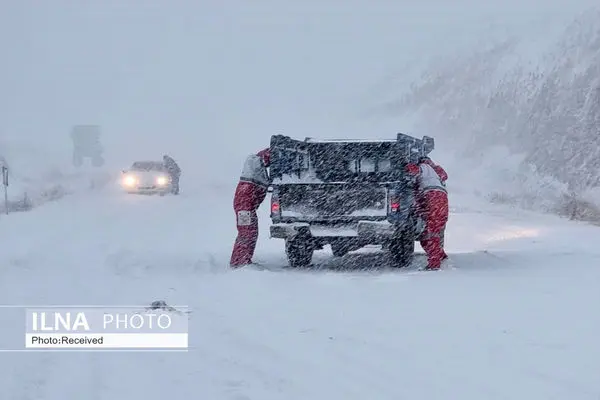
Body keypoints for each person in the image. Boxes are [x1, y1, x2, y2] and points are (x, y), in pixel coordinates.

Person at [230, 148, 271, 268]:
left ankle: (241, 260)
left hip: (246, 208)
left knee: (249, 233)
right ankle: (240, 262)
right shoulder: (255, 164)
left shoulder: (253, 171)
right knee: (247, 233)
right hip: (245, 209)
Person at [406, 156, 449, 270]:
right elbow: (445, 176)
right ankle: (440, 254)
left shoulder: (422, 167)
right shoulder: (435, 168)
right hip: (442, 198)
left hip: (431, 196)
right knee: (437, 229)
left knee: (429, 233)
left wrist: (405, 165)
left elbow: (412, 171)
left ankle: (434, 264)